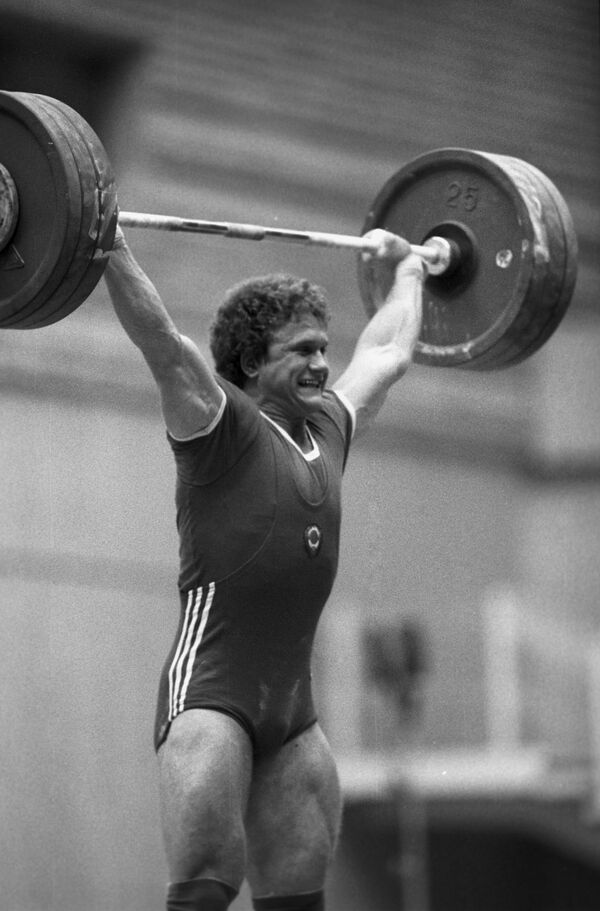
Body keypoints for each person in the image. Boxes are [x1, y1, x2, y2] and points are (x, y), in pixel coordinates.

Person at [104, 222, 425, 911]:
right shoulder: (217, 427)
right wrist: (107, 245)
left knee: (298, 900)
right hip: (211, 698)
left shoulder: (330, 427)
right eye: (302, 350)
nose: (321, 364)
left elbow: (389, 349)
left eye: (324, 348)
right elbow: (163, 343)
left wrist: (413, 270)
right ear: (251, 361)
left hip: (294, 714)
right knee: (202, 891)